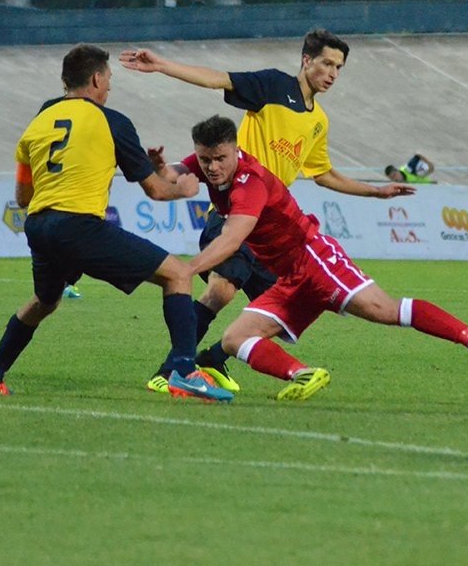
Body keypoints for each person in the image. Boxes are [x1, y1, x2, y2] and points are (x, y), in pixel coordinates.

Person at [120, 29, 415, 394]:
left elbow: (322, 173)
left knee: (277, 310)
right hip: (236, 213)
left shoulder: (318, 120)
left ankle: (212, 358)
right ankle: (170, 371)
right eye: (326, 63)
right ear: (306, 60)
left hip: (273, 231)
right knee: (221, 291)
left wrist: (375, 191)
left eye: (338, 67)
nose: (332, 73)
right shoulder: (274, 86)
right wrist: (162, 65)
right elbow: (218, 79)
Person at [155, 114, 468, 401]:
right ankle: (303, 375)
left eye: (220, 159)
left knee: (385, 310)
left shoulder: (250, 183)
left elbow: (231, 240)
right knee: (234, 339)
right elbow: (175, 172)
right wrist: (158, 167)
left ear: (235, 151)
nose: (212, 168)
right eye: (205, 160)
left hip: (315, 259)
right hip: (290, 277)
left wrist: (187, 269)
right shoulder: (208, 166)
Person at [0, 44, 231, 403]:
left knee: (45, 301)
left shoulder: (40, 120)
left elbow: (23, 196)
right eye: (108, 79)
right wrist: (184, 187)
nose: (109, 87)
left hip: (39, 226)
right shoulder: (113, 121)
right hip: (79, 226)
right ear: (95, 78)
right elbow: (155, 191)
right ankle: (184, 372)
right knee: (178, 275)